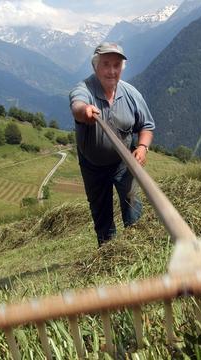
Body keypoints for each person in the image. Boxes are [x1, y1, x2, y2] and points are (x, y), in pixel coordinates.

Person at [69, 42, 155, 247]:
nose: (111, 71)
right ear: (95, 66)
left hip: (123, 163)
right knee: (101, 214)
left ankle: (137, 245)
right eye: (106, 64)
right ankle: (108, 252)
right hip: (93, 166)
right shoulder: (85, 89)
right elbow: (77, 105)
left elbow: (147, 126)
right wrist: (85, 111)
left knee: (132, 205)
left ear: (121, 68)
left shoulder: (132, 94)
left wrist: (142, 147)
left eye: (116, 65)